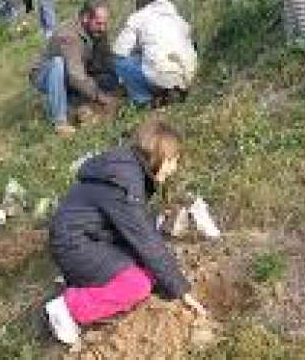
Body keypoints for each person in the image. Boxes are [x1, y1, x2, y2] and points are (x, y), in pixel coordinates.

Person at [45, 119, 206, 345]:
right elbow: (145, 240)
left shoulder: (125, 167)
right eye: (171, 161)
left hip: (90, 237)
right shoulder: (124, 183)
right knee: (136, 285)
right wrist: (181, 290)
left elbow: (137, 230)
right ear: (155, 156)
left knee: (148, 272)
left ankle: (84, 283)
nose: (174, 168)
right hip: (75, 245)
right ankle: (68, 309)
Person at [31, 1, 119, 136]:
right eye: (98, 23)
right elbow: (75, 76)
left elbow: (106, 60)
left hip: (74, 70)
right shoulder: (68, 35)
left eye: (105, 24)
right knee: (58, 64)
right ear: (85, 18)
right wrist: (99, 96)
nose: (102, 28)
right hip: (46, 74)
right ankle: (60, 121)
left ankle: (79, 108)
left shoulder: (97, 32)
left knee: (109, 78)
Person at [113, 0, 197, 108]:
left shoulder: (138, 17)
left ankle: (145, 100)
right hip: (188, 76)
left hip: (160, 75)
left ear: (141, 5)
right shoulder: (178, 19)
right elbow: (192, 44)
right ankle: (174, 91)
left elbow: (119, 51)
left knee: (119, 62)